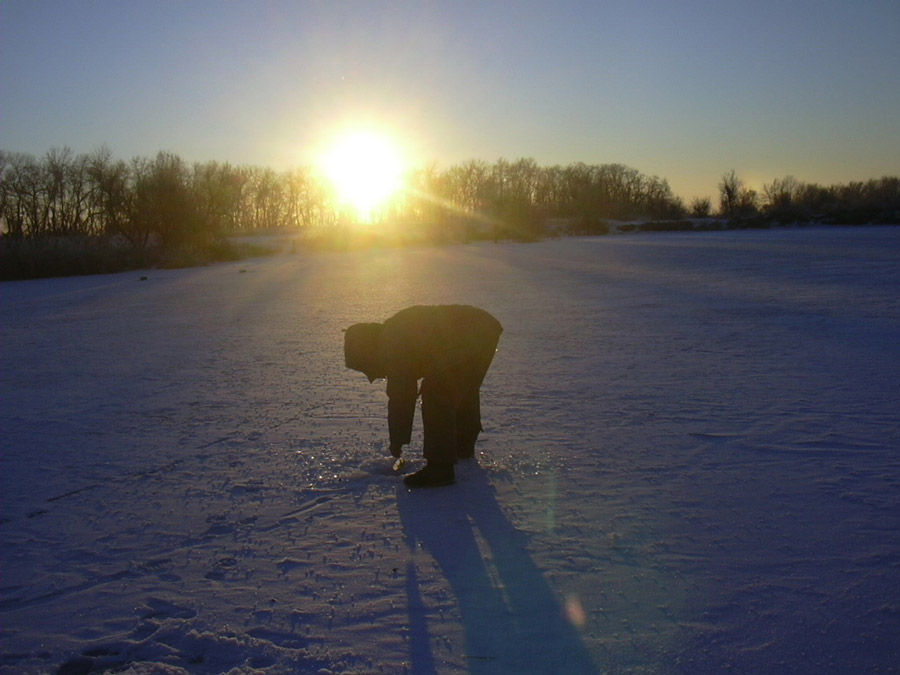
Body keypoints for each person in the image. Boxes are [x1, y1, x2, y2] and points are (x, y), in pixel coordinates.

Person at [344, 305, 503, 488]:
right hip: (485, 329)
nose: (372, 375)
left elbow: (402, 396)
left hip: (472, 334)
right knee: (461, 389)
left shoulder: (393, 344)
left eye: (366, 367)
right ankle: (463, 448)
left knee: (437, 393)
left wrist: (397, 442)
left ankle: (440, 469)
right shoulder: (391, 334)